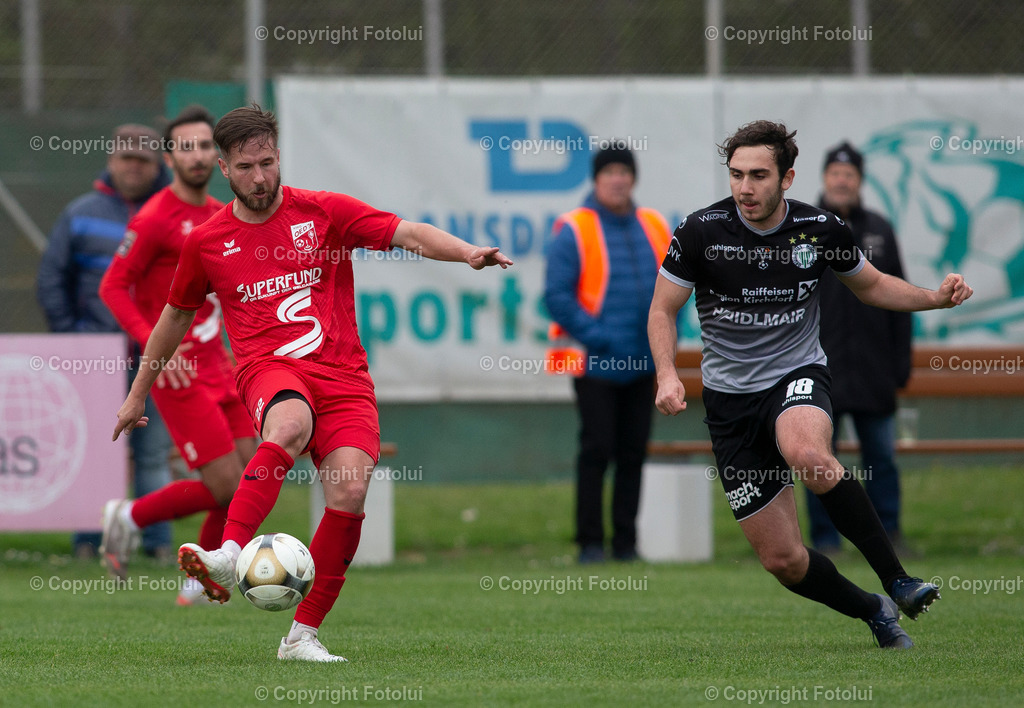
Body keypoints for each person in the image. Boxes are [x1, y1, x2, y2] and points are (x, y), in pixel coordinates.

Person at [112, 105, 513, 662]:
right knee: (291, 422)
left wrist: (466, 252)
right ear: (225, 168)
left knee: (349, 492)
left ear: (279, 158)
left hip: (344, 378)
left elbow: (406, 232)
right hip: (268, 370)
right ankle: (230, 552)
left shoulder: (324, 213)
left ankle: (301, 637)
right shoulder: (207, 242)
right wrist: (136, 396)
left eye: (269, 162)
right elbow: (173, 319)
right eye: (247, 166)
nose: (260, 177)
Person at [648, 120, 973, 649]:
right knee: (784, 561)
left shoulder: (820, 228)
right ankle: (874, 609)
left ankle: (899, 579)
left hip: (794, 375)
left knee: (808, 454)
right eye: (736, 175)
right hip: (729, 404)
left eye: (758, 175)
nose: (745, 188)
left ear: (788, 177)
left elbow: (872, 286)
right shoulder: (700, 232)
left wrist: (934, 297)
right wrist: (667, 373)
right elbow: (662, 310)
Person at [98, 106, 258, 604]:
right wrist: (153, 345)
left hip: (221, 365)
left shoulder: (218, 213)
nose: (199, 156)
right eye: (187, 147)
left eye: (207, 146)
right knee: (226, 483)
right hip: (176, 371)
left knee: (253, 475)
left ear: (219, 154)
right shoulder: (154, 218)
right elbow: (113, 286)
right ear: (170, 158)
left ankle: (195, 571)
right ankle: (135, 522)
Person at [36, 123, 174, 560]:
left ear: (157, 165)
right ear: (111, 159)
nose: (133, 166)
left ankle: (157, 545)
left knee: (153, 455)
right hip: (95, 357)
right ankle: (88, 543)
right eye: (126, 158)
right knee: (95, 452)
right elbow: (52, 279)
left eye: (143, 159)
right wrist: (73, 336)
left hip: (159, 355)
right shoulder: (80, 212)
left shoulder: (173, 210)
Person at [544, 144, 671, 564]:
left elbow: (675, 286)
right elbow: (557, 297)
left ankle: (626, 544)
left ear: (633, 178)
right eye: (609, 172)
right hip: (594, 362)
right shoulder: (574, 228)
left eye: (624, 171)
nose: (618, 179)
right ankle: (591, 543)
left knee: (634, 453)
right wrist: (599, 337)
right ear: (596, 180)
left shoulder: (654, 224)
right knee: (597, 451)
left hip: (643, 361)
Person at [804, 142, 912, 555]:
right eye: (835, 173)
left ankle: (888, 535)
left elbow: (901, 300)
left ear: (860, 181)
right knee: (816, 459)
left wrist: (900, 363)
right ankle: (825, 540)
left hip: (873, 370)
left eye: (850, 174)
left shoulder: (880, 230)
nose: (842, 180)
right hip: (818, 370)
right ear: (824, 177)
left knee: (881, 459)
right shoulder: (804, 228)